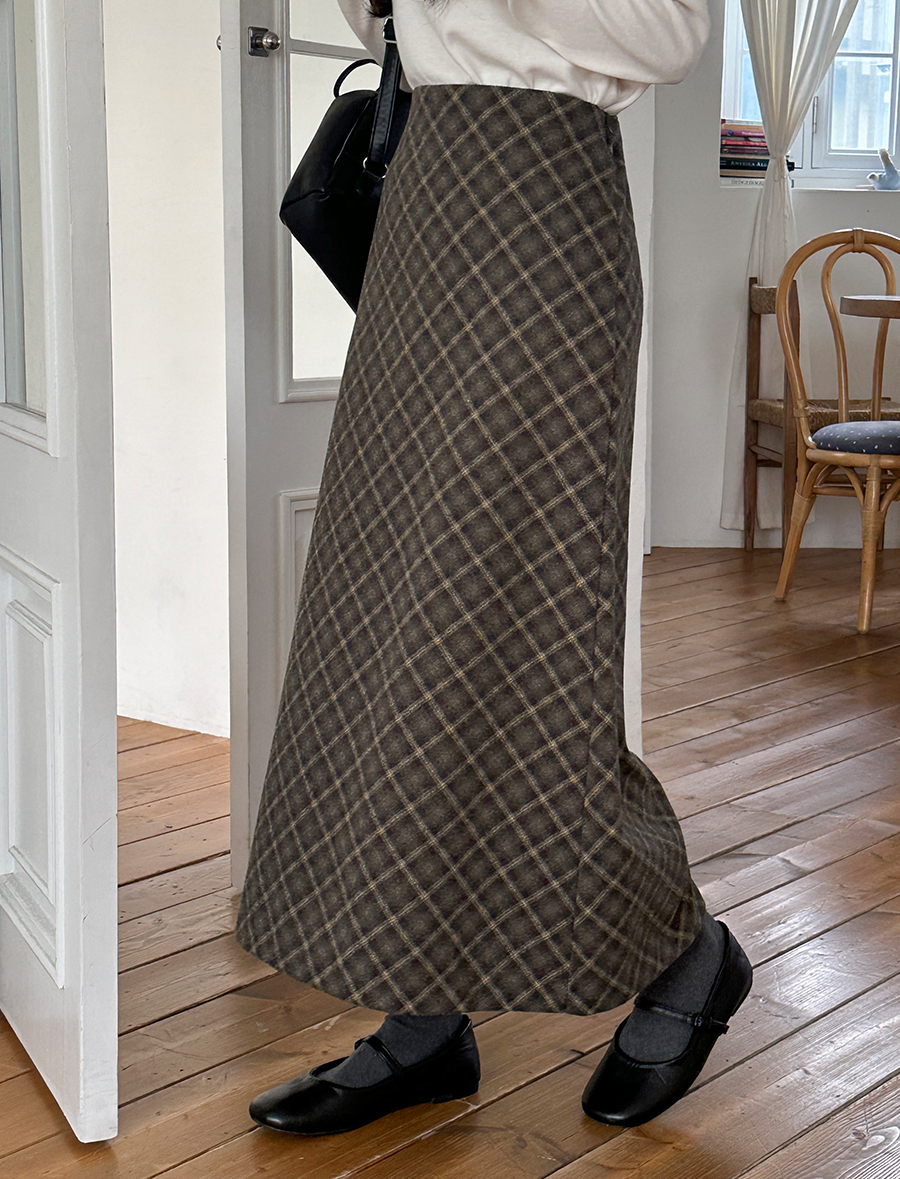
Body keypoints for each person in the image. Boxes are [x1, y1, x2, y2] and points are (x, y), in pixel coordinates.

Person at [235, 0, 752, 1136]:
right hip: (426, 199)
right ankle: (424, 1022)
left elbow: (667, 35)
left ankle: (684, 952)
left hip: (541, 212)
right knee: (391, 615)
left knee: (518, 625)